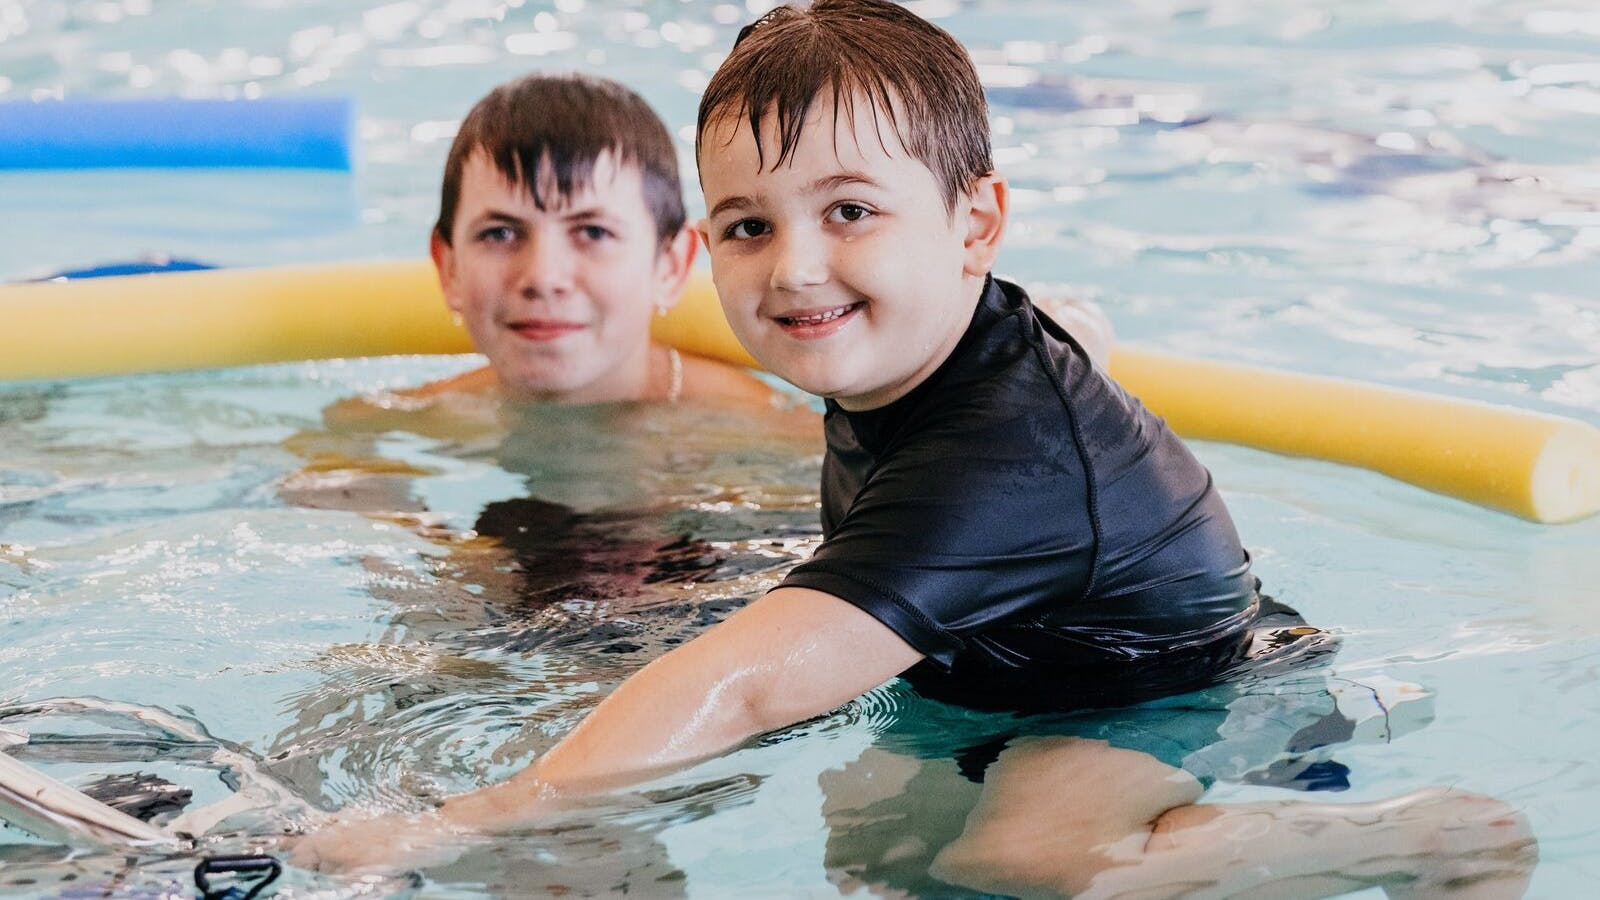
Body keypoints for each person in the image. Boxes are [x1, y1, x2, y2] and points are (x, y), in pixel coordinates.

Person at [293, 3, 1533, 895]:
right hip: (1002, 675)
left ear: (973, 220)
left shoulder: (998, 460)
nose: (794, 266)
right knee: (878, 866)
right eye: (746, 223)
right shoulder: (916, 352)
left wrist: (468, 820)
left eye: (849, 210)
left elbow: (751, 678)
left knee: (1021, 863)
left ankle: (1422, 838)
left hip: (1184, 693)